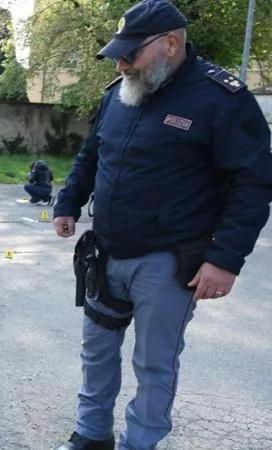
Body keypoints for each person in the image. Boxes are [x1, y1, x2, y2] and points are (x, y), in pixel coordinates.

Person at [52, 1, 272, 449]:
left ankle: (141, 443)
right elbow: (92, 154)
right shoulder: (118, 93)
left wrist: (225, 260)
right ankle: (92, 435)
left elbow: (253, 183)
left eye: (130, 53)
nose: (121, 63)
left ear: (170, 44)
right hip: (107, 250)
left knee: (154, 364)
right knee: (96, 351)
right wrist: (68, 201)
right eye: (118, 54)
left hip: (169, 261)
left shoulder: (220, 99)